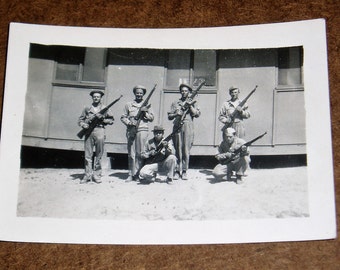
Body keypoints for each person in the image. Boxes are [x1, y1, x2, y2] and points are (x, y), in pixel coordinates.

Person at [78, 90, 114, 184]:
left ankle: (97, 175)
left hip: (100, 130)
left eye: (98, 96)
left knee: (99, 154)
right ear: (92, 98)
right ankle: (87, 175)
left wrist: (102, 118)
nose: (96, 98)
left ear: (101, 98)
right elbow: (80, 120)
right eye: (94, 97)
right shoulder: (87, 108)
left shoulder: (105, 108)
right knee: (88, 155)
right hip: (89, 131)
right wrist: (83, 125)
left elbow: (111, 120)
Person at [121, 85, 154, 181]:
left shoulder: (148, 105)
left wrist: (145, 113)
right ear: (134, 93)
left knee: (140, 153)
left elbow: (152, 118)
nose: (139, 95)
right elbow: (123, 117)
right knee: (131, 153)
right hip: (131, 130)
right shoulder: (128, 104)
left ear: (143, 94)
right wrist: (129, 122)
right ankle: (131, 174)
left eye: (141, 93)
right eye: (137, 93)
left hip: (142, 130)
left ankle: (139, 174)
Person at [167, 83, 201, 180]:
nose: (184, 92)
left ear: (189, 92)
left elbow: (197, 114)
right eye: (182, 91)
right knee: (178, 148)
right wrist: (176, 114)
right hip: (177, 126)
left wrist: (190, 106)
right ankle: (177, 171)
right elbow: (169, 116)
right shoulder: (175, 103)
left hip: (188, 125)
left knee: (186, 149)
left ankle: (185, 171)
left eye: (186, 91)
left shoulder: (194, 102)